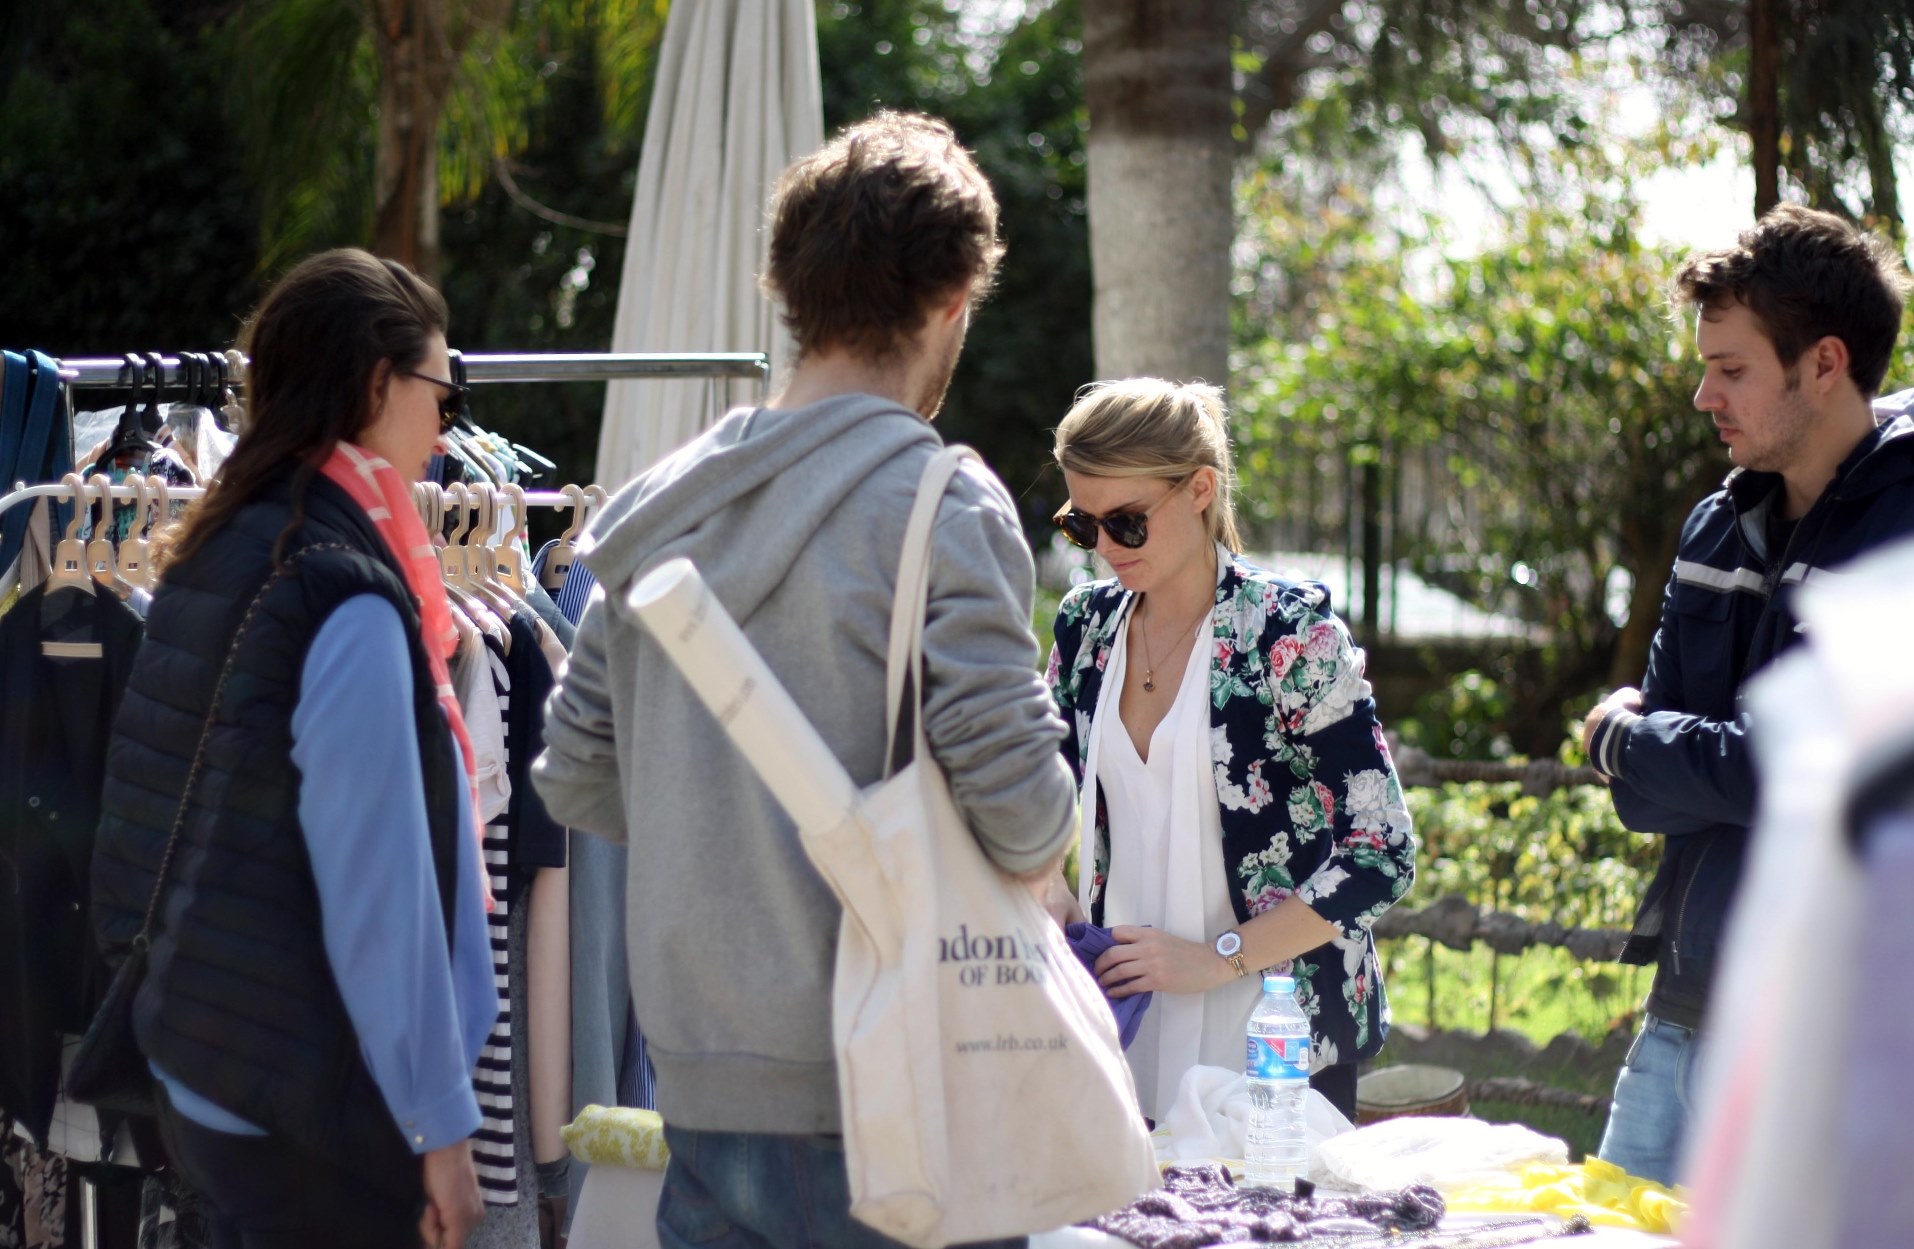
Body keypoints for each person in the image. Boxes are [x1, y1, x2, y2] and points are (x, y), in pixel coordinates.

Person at [531, 111, 1077, 1249]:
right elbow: (1026, 821)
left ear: (787, 289)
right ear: (949, 301)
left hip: (696, 1084)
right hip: (897, 1092)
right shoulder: (941, 504)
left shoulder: (648, 509)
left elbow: (578, 780)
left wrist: (716, 814)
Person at [91, 249, 497, 1249]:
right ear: (374, 384)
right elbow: (381, 890)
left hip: (210, 1051)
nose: (451, 421)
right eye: (444, 390)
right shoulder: (342, 585)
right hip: (305, 1096)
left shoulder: (230, 541)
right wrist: (443, 1124)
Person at [1581, 203, 1914, 1187]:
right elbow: (1650, 794)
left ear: (1824, 363)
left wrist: (1632, 739)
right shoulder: (1715, 529)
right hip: (1684, 1010)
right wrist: (1675, 759)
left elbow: (1825, 774)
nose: (1701, 395)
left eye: (1731, 370)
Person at [1043, 378, 1417, 1124]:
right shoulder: (1085, 627)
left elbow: (1383, 852)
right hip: (1122, 1024)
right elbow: (1027, 787)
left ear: (1200, 490)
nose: (1106, 549)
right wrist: (1046, 885)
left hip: (1277, 1040)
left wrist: (1215, 956)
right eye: (1083, 527)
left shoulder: (1290, 636)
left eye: (1127, 522)